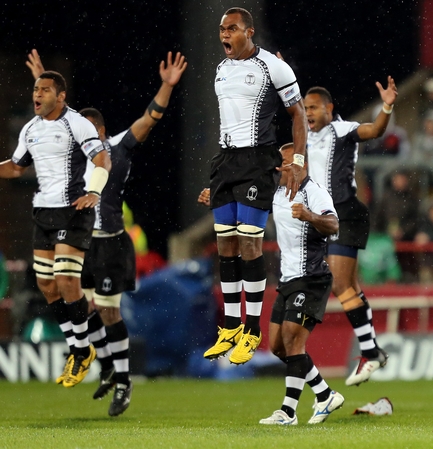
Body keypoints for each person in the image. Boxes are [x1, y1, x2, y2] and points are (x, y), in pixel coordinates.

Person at [24, 49, 186, 415]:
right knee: (77, 305)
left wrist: (166, 86)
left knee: (109, 313)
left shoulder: (117, 146)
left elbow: (150, 118)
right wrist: (42, 78)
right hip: (77, 243)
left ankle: (124, 383)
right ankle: (106, 363)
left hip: (111, 244)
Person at [199, 144, 344, 425]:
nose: (282, 166)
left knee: (292, 340)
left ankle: (287, 412)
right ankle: (325, 394)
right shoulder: (275, 194)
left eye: (289, 161)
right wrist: (218, 200)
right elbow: (246, 209)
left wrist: (310, 216)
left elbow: (333, 224)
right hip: (288, 279)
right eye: (283, 162)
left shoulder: (314, 192)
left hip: (312, 277)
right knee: (278, 346)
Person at [204, 7, 307, 365]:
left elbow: (298, 115)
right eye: (221, 30)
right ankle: (230, 325)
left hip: (257, 162)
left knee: (250, 244)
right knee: (225, 244)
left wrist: (296, 162)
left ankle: (251, 328)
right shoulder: (220, 71)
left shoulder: (272, 67)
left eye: (231, 29)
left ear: (249, 32)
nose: (224, 35)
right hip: (225, 161)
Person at [0, 70, 111, 389]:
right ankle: (80, 348)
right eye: (36, 89)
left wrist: (94, 191)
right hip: (44, 215)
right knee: (48, 287)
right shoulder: (30, 129)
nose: (37, 94)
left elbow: (101, 159)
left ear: (60, 96)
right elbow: (16, 166)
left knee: (65, 280)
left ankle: (80, 350)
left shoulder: (77, 123)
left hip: (74, 211)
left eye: (45, 90)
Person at [303, 79, 397, 386]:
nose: (308, 113)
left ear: (329, 109)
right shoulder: (304, 136)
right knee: (348, 287)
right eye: (305, 109)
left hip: (345, 213)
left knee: (342, 285)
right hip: (325, 218)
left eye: (314, 107)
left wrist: (386, 106)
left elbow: (374, 130)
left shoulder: (340, 130)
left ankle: (371, 353)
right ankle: (372, 352)